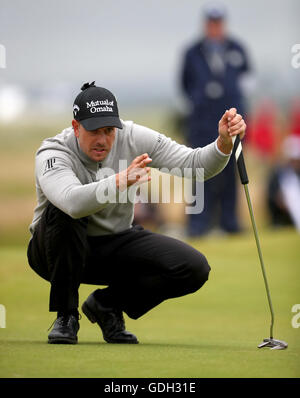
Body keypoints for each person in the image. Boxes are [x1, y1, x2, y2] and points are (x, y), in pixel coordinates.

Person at [27, 81, 246, 344]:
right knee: (63, 212)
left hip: (115, 242)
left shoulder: (132, 136)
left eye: (109, 131)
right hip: (52, 252)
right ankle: (66, 315)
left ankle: (106, 305)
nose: (103, 140)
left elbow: (194, 165)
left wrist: (223, 143)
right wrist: (121, 181)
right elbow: (71, 202)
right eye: (94, 131)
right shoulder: (54, 152)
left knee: (193, 267)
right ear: (76, 127)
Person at [180, 2, 252, 236]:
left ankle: (229, 221)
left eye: (218, 23)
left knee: (231, 171)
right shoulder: (192, 52)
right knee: (199, 170)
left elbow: (246, 80)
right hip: (202, 124)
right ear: (205, 24)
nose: (215, 27)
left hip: (232, 123)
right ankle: (199, 223)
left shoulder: (237, 48)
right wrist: (203, 99)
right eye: (211, 23)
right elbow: (184, 85)